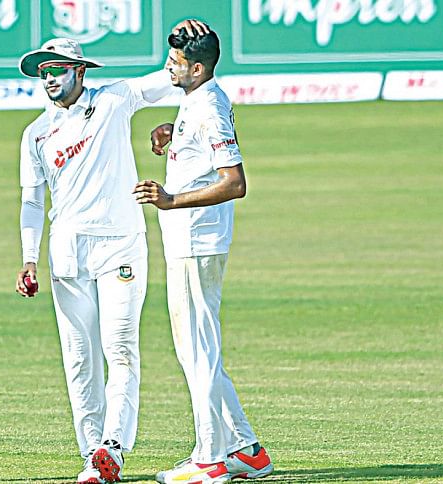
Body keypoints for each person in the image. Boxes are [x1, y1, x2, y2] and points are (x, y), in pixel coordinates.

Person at [12, 22, 202, 483]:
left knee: (120, 348)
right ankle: (91, 455)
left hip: (120, 244)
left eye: (57, 69)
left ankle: (112, 447)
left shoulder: (114, 100)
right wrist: (29, 258)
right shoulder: (35, 133)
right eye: (43, 71)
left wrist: (185, 47)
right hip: (67, 252)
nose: (49, 78)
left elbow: (170, 78)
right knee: (79, 358)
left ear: (80, 71)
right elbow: (32, 201)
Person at [132, 25, 274, 483]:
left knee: (197, 351)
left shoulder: (209, 105)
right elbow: (202, 156)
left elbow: (235, 183)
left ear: (197, 68)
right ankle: (246, 450)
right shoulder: (197, 98)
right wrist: (173, 136)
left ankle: (210, 459)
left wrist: (170, 200)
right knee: (199, 348)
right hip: (189, 240)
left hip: (196, 240)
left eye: (175, 63)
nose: (168, 67)